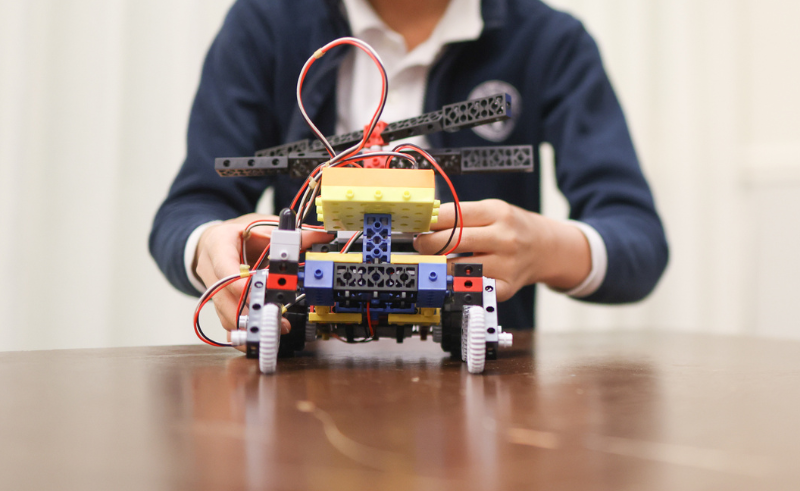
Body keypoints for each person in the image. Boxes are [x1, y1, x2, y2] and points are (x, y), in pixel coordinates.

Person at [149, 0, 669, 336]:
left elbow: (638, 241)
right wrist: (211, 246)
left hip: (481, 404)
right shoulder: (266, 23)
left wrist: (547, 248)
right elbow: (192, 206)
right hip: (299, 382)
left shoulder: (549, 41)